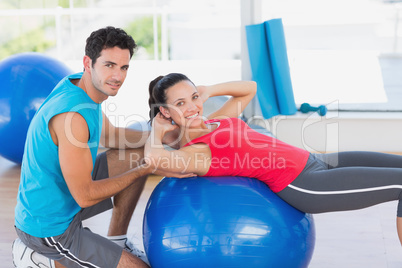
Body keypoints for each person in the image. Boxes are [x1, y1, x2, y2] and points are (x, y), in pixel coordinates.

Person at [145, 72, 402, 247]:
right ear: (165, 111)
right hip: (304, 183)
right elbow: (154, 159)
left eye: (193, 97)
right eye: (180, 103)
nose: (192, 107)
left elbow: (249, 89)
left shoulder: (216, 120)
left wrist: (208, 91)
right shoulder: (197, 152)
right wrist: (157, 131)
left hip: (314, 160)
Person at [13, 26, 175, 268]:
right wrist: (143, 169)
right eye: (109, 65)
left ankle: (116, 241)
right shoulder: (73, 117)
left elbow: (111, 136)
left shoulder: (80, 86)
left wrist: (162, 136)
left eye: (124, 67)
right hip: (49, 228)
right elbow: (85, 195)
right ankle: (39, 257)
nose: (117, 76)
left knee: (138, 152)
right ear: (88, 63)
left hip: (65, 201)